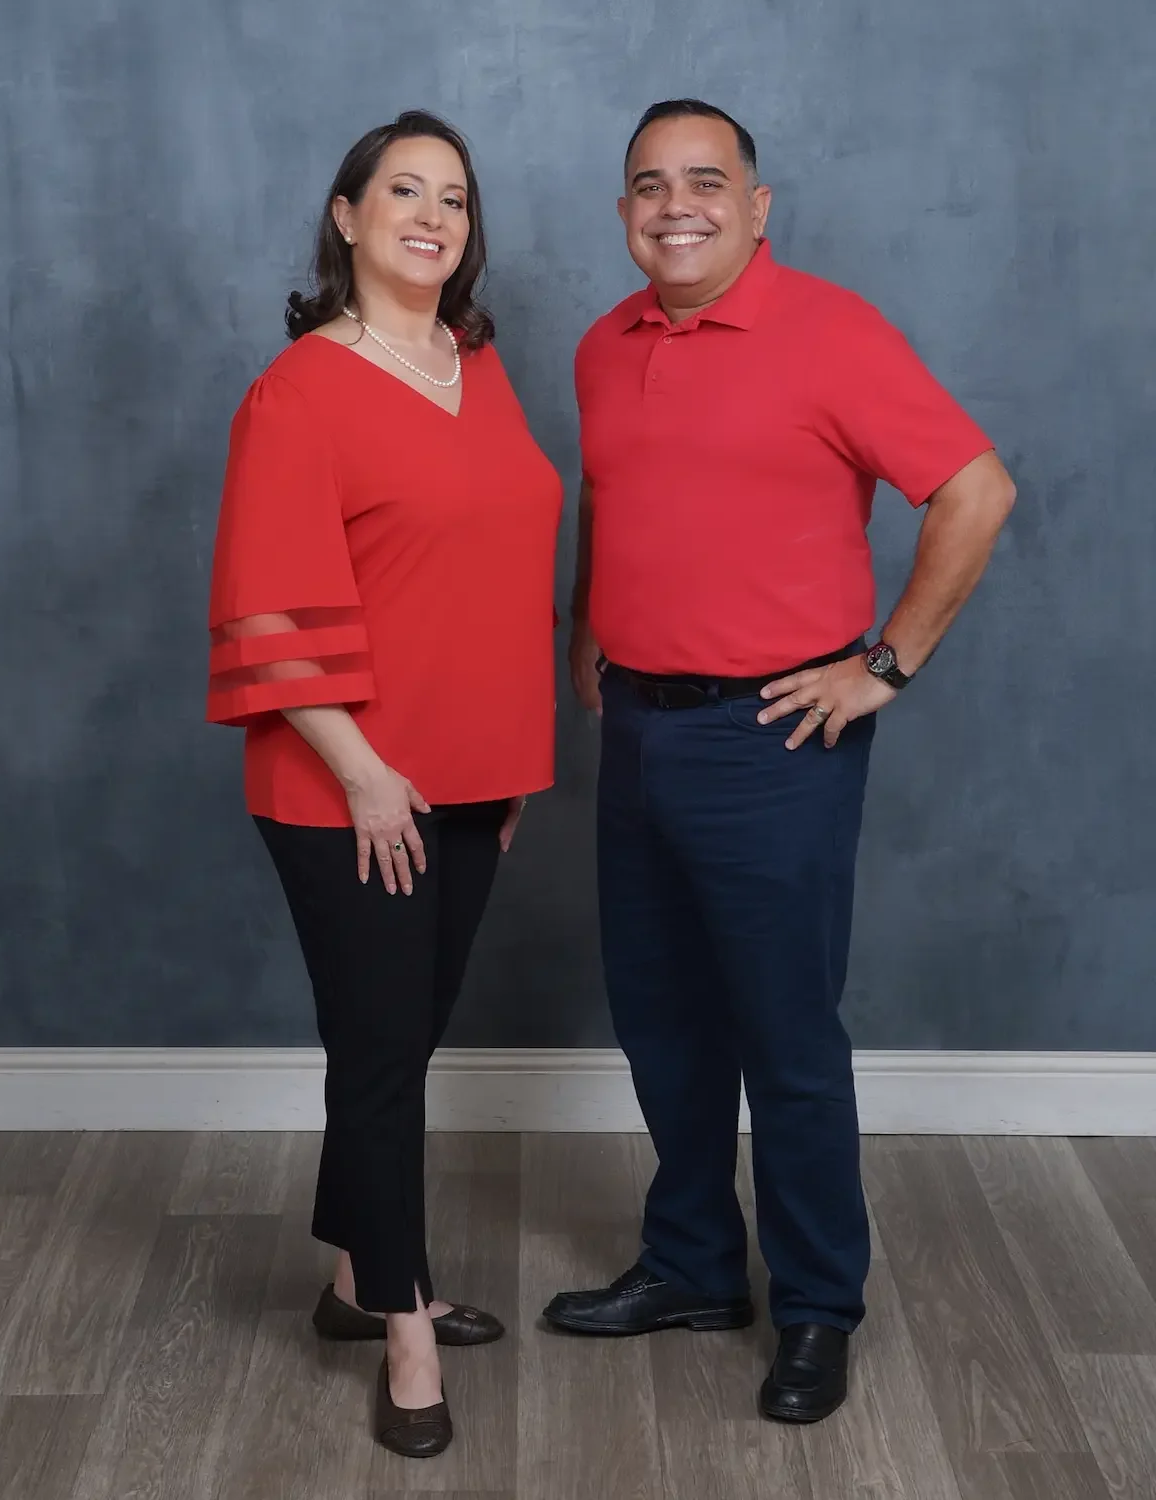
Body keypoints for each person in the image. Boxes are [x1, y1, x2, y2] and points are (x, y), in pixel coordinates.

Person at [543, 98, 1016, 1423]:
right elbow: (607, 493)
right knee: (660, 1023)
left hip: (774, 736)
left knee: (785, 1036)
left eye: (706, 181)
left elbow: (976, 490)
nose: (674, 205)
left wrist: (886, 664)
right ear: (623, 210)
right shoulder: (601, 344)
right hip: (635, 726)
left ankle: (816, 1306)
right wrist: (591, 630)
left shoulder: (831, 332)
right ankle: (694, 1263)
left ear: (757, 205)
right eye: (648, 184)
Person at [206, 110, 561, 1457]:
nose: (433, 214)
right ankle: (403, 1332)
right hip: (347, 780)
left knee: (400, 1042)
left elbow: (494, 561)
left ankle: (358, 1279)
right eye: (403, 190)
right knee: (379, 1057)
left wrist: (507, 756)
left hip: (473, 776)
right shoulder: (297, 390)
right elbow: (265, 606)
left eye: (455, 197)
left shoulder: (481, 361)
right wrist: (361, 772)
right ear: (347, 218)